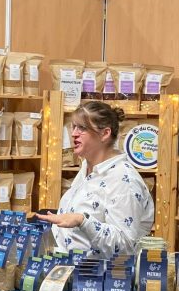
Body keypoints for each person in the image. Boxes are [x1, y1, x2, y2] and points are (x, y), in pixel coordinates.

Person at [38, 101, 154, 258]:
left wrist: (83, 221)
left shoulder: (124, 181)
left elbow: (125, 245)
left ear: (105, 134)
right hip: (68, 272)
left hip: (96, 279)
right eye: (74, 127)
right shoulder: (87, 167)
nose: (74, 134)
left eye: (82, 128)